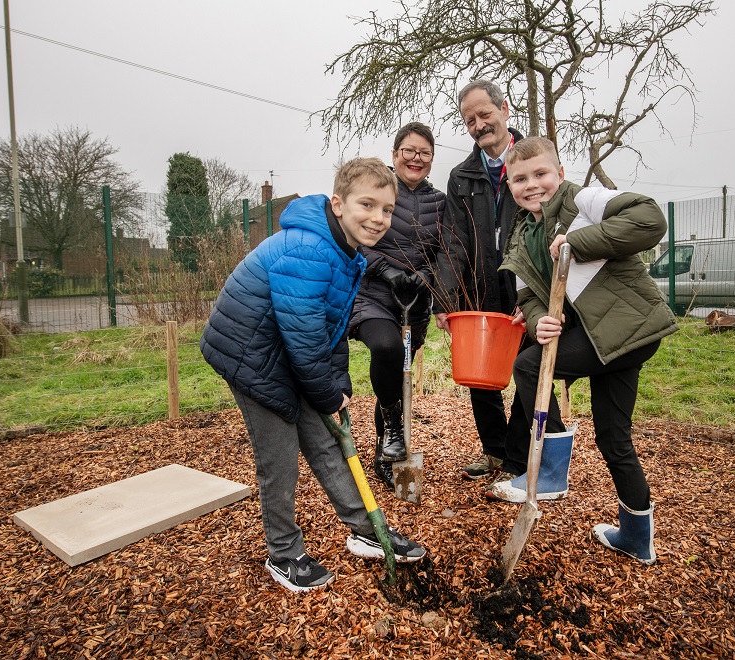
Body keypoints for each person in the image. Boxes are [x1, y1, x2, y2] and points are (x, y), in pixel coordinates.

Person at [200, 157, 426, 593]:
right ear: (338, 204)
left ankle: (366, 530)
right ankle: (283, 554)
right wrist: (325, 393)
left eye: (386, 209)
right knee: (280, 457)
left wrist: (338, 385)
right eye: (367, 205)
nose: (378, 218)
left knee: (325, 441)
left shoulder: (346, 250)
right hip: (251, 355)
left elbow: (330, 327)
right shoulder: (310, 250)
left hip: (283, 346)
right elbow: (305, 340)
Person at [489, 136, 678, 566]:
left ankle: (551, 471)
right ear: (509, 184)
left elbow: (650, 218)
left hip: (627, 329)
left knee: (529, 366)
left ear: (559, 172)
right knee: (614, 439)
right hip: (601, 339)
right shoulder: (520, 237)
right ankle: (636, 537)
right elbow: (527, 297)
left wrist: (579, 243)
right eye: (520, 178)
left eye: (541, 174)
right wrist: (539, 321)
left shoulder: (584, 200)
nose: (531, 185)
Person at [433, 79, 533, 485]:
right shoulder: (462, 176)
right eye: (469, 120)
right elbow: (452, 242)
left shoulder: (531, 161)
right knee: (480, 374)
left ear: (504, 109)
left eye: (484, 114)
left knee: (528, 370)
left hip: (525, 290)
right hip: (478, 289)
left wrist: (537, 292)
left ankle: (518, 459)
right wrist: (444, 298)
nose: (478, 125)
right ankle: (494, 451)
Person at [349, 122, 445, 487]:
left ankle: (385, 450)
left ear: (431, 159)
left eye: (424, 152)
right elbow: (354, 236)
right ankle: (393, 430)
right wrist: (385, 269)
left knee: (397, 375)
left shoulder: (441, 203)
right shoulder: (376, 189)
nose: (415, 158)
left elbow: (447, 251)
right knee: (386, 349)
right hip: (373, 295)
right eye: (409, 150)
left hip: (414, 304)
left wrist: (428, 276)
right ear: (395, 154)